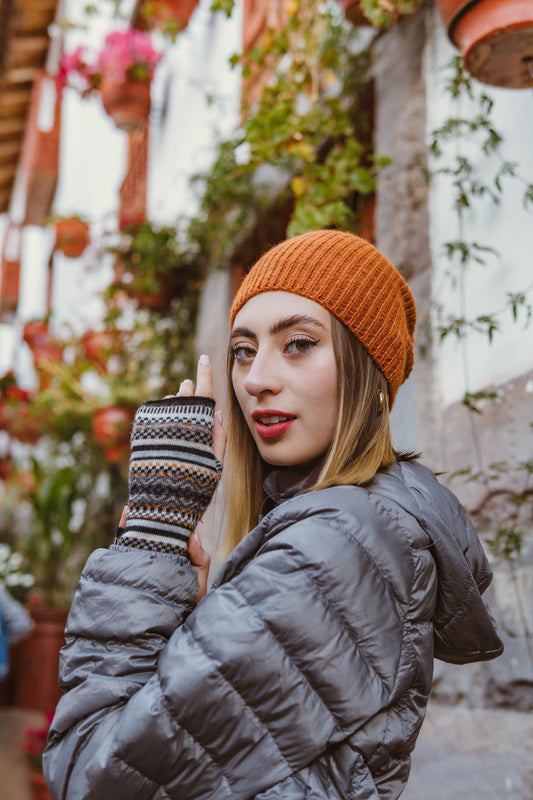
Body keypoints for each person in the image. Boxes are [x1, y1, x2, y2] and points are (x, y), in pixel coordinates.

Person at [43, 229, 503, 800]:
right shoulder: (346, 527)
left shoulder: (338, 545)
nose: (256, 378)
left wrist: (152, 534)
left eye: (299, 343)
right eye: (243, 350)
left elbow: (93, 770)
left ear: (369, 374)